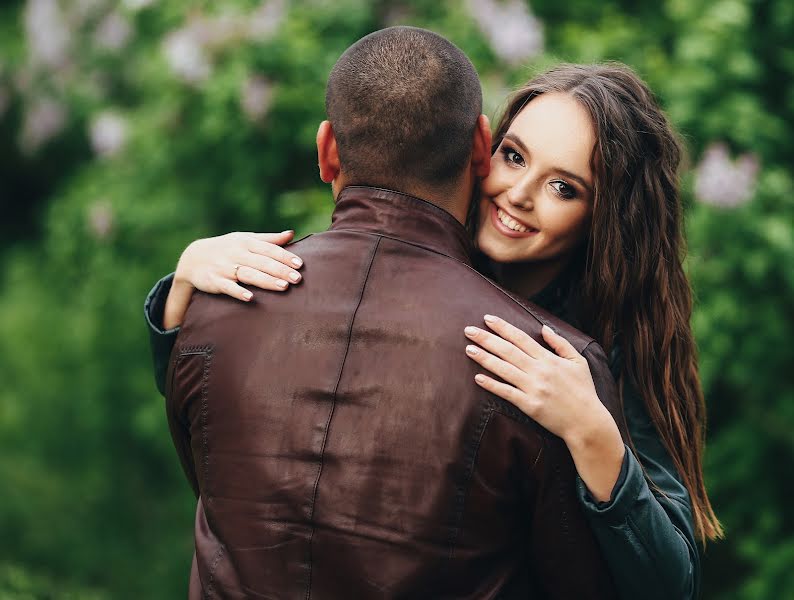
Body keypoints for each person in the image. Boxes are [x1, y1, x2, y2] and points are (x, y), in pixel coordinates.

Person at [148, 60, 725, 599]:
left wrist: (594, 435)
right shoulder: (396, 272)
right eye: (515, 156)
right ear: (481, 150)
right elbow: (231, 432)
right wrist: (181, 294)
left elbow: (670, 582)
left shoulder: (606, 347)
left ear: (604, 218)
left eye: (563, 188)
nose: (519, 195)